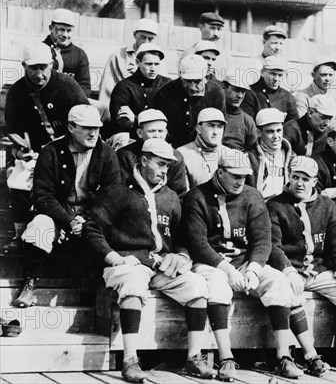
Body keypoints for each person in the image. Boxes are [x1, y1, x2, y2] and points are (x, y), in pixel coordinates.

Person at [84, 138, 214, 382]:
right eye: (160, 164)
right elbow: (92, 230)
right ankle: (130, 360)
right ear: (143, 161)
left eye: (168, 166)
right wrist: (112, 257)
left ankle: (194, 358)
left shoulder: (171, 197)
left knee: (197, 285)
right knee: (133, 283)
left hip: (159, 266)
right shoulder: (117, 192)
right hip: (126, 263)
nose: (165, 171)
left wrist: (183, 257)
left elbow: (182, 238)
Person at [180, 149, 307, 380]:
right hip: (212, 263)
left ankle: (283, 356)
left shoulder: (252, 195)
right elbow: (198, 244)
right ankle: (226, 357)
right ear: (220, 172)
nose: (241, 181)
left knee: (278, 282)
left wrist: (254, 268)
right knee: (217, 287)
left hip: (244, 262)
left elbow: (262, 239)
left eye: (244, 175)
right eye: (235, 175)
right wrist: (226, 269)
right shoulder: (196, 197)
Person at [267, 156, 336, 375]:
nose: (299, 183)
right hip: (291, 270)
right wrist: (288, 270)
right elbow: (273, 246)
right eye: (295, 177)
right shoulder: (275, 205)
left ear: (315, 181)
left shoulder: (327, 206)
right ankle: (310, 355)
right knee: (291, 295)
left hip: (317, 270)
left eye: (305, 179)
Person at [13, 105, 121, 308]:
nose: (93, 133)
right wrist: (69, 220)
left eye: (96, 128)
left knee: (110, 231)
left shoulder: (106, 154)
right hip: (59, 215)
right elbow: (43, 196)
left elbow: (112, 196)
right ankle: (30, 284)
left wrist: (88, 219)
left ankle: (94, 295)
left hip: (93, 217)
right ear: (71, 128)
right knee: (39, 226)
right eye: (86, 127)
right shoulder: (51, 151)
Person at [2, 43, 88, 253]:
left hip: (68, 149)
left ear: (52, 65)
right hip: (34, 152)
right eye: (33, 68)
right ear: (23, 66)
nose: (39, 74)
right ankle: (19, 231)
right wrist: (20, 151)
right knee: (18, 178)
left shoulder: (67, 86)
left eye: (44, 67)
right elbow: (13, 130)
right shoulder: (16, 92)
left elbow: (86, 119)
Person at [151, 54, 225, 148]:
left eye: (197, 81)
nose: (192, 87)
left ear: (206, 77)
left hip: (205, 146)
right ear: (180, 76)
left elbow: (221, 126)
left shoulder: (216, 93)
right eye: (187, 81)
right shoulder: (166, 93)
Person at [117, 109, 188, 198]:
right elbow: (119, 191)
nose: (157, 136)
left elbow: (179, 195)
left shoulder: (176, 157)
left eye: (161, 131)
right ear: (140, 133)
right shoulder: (125, 155)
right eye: (152, 131)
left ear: (166, 133)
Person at [108, 43, 171, 138]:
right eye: (148, 64)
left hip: (163, 137)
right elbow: (120, 123)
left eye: (156, 64)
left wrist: (135, 119)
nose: (153, 69)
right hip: (134, 137)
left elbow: (174, 119)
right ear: (137, 62)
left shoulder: (167, 85)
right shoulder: (124, 87)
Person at [98, 18, 159, 105]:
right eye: (143, 37)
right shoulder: (118, 56)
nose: (146, 42)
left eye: (150, 39)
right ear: (135, 35)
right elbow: (107, 88)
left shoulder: (159, 60)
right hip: (123, 104)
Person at [177, 108, 235, 188]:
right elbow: (183, 193)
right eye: (211, 126)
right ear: (199, 129)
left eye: (220, 127)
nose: (215, 132)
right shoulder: (183, 154)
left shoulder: (230, 154)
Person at [246, 108, 294, 201]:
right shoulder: (248, 157)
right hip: (259, 207)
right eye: (270, 131)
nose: (276, 136)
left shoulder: (292, 156)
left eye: (279, 130)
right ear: (259, 132)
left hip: (284, 207)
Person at [43, 8, 90, 97]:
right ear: (51, 28)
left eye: (69, 30)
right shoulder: (41, 50)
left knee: (102, 108)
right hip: (47, 100)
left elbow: (85, 86)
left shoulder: (80, 55)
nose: (65, 35)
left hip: (73, 101)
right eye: (61, 29)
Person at [241, 56, 299, 122]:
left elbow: (293, 125)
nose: (276, 79)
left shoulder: (287, 97)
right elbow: (247, 125)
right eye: (273, 74)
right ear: (262, 72)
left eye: (280, 75)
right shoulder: (250, 94)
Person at [222, 74, 258, 151]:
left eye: (243, 91)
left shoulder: (247, 121)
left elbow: (252, 151)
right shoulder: (213, 114)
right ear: (224, 87)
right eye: (236, 90)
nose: (240, 96)